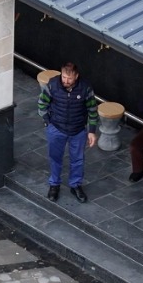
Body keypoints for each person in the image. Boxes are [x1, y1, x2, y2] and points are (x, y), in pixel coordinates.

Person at [37, 62, 98, 202]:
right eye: (64, 77)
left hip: (78, 130)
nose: (65, 81)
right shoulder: (53, 84)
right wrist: (47, 122)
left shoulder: (85, 88)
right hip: (56, 128)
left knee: (78, 160)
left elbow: (92, 110)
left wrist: (91, 131)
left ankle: (75, 185)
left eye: (69, 78)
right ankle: (54, 185)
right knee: (55, 158)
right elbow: (42, 104)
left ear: (76, 76)